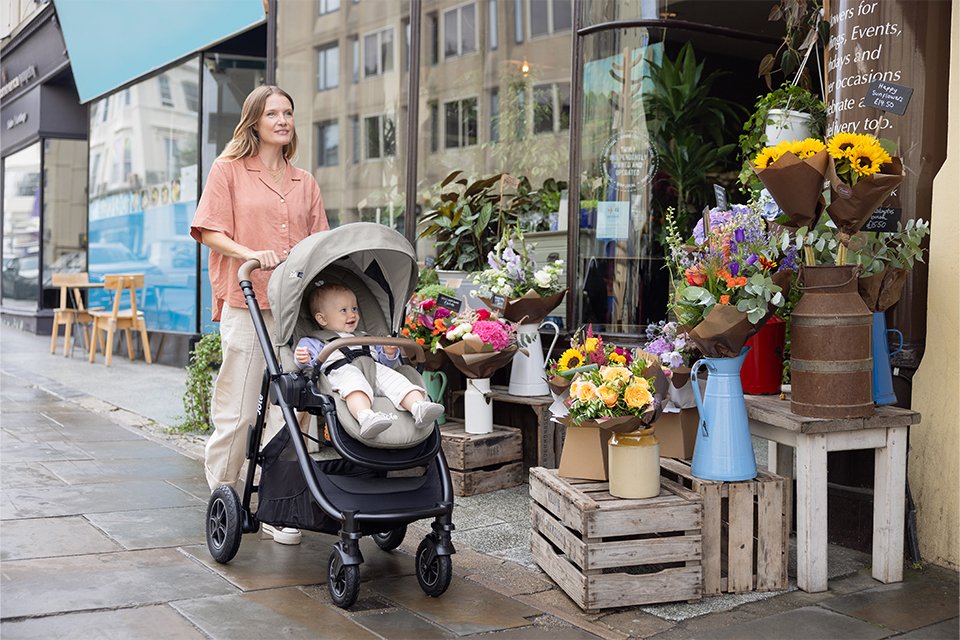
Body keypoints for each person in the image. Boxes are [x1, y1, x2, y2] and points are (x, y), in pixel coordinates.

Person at [190, 85, 328, 546]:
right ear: (254, 122)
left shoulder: (304, 181)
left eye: (288, 112)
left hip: (293, 309)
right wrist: (252, 253)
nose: (283, 120)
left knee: (291, 410)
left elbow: (320, 243)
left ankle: (277, 502)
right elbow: (208, 230)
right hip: (246, 302)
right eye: (273, 113)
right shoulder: (228, 170)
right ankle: (225, 492)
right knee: (240, 408)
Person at [295, 283, 444, 438]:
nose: (352, 314)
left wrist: (389, 352)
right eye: (343, 310)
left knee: (398, 380)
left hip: (374, 368)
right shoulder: (314, 341)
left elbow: (385, 362)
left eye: (354, 309)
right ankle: (366, 416)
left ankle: (418, 407)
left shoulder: (366, 336)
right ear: (322, 319)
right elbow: (309, 367)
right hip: (342, 372)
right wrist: (303, 358)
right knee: (355, 386)